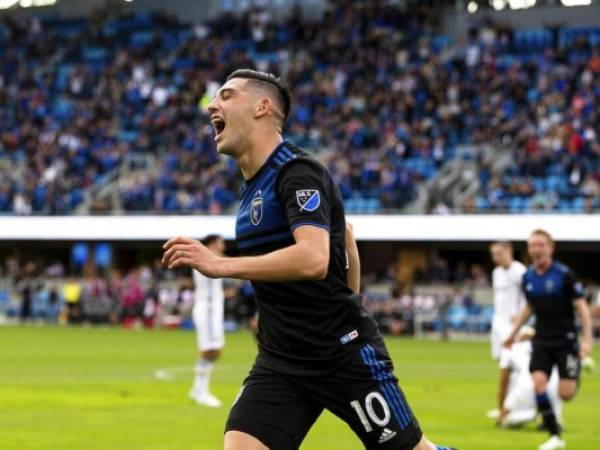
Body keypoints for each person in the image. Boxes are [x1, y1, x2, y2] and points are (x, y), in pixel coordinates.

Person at [162, 69, 455, 450]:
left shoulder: (297, 171)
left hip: (339, 355)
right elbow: (346, 240)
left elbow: (313, 258)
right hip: (281, 359)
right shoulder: (253, 186)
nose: (212, 106)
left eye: (226, 95)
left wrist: (222, 265)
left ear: (262, 107)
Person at [504, 229, 593, 450]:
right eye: (533, 245)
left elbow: (582, 308)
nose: (537, 249)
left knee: (566, 393)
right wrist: (512, 333)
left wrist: (587, 340)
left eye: (541, 244)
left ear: (550, 248)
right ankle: (555, 436)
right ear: (529, 249)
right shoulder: (528, 277)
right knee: (538, 384)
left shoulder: (564, 275)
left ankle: (577, 364)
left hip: (565, 340)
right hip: (541, 339)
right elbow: (529, 307)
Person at [487, 242, 527, 420]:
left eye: (499, 253)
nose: (496, 257)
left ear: (509, 252)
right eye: (493, 254)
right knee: (501, 364)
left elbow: (528, 296)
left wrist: (520, 317)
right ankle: (505, 406)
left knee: (511, 366)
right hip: (497, 324)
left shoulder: (519, 270)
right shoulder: (496, 273)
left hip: (512, 326)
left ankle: (510, 407)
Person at [497, 326, 562, 429]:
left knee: (503, 420)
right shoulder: (547, 348)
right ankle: (552, 419)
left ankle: (532, 414)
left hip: (527, 384)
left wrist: (501, 409)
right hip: (553, 385)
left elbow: (503, 382)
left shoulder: (511, 348)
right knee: (554, 418)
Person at [190, 234, 227, 407]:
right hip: (209, 310)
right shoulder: (207, 259)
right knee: (211, 350)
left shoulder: (208, 258)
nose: (223, 246)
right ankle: (201, 391)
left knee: (213, 350)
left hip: (211, 309)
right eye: (221, 242)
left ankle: (197, 389)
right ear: (212, 243)